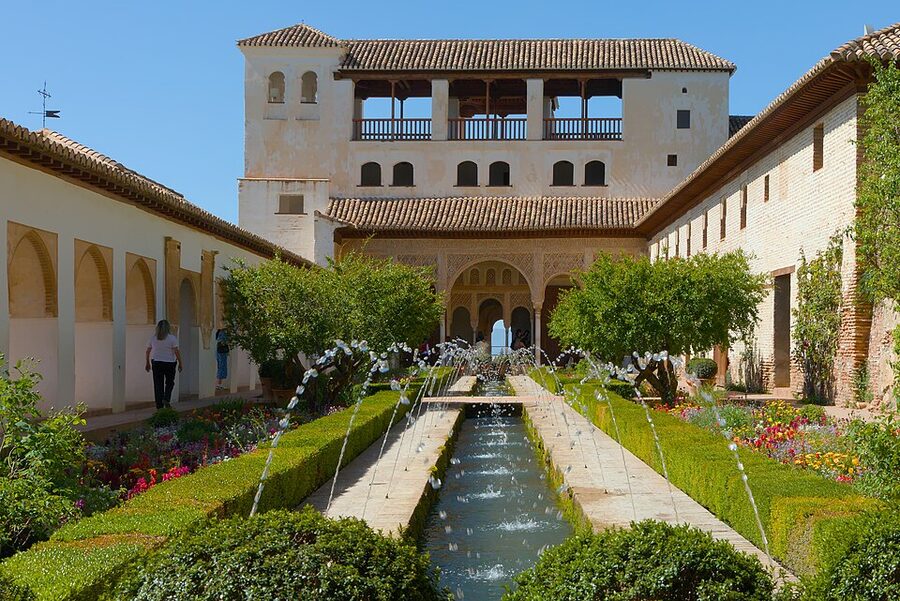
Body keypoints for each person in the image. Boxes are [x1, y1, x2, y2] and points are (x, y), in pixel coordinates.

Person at [145, 319, 182, 409]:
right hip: (170, 363)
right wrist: (180, 363)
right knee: (170, 382)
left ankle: (159, 406)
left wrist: (147, 363)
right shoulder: (172, 338)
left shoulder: (153, 338)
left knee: (158, 384)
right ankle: (166, 398)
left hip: (156, 363)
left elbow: (148, 351)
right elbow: (176, 351)